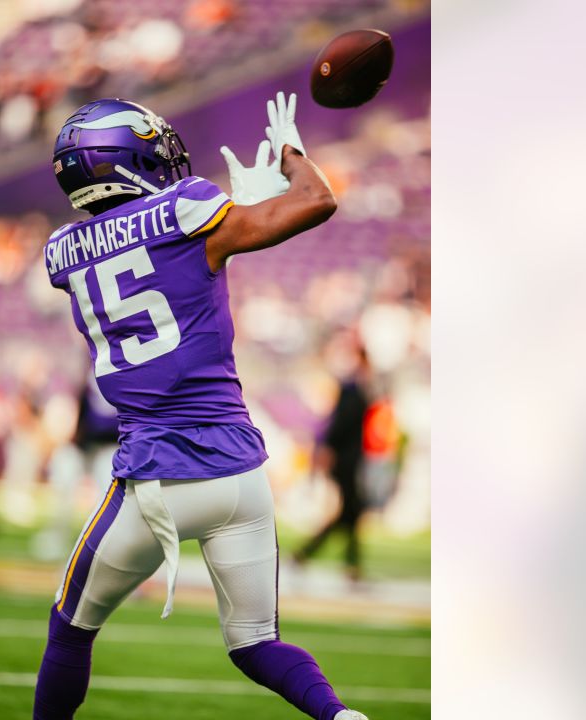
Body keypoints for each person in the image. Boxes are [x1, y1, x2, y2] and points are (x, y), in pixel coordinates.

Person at [32, 93, 368, 720]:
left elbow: (136, 249)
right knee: (256, 644)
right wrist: (292, 156)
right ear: (127, 158)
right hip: (241, 474)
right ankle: (339, 716)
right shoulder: (187, 208)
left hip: (158, 475)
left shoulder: (63, 253)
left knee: (70, 628)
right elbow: (316, 199)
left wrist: (227, 217)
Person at [295, 344, 372, 580]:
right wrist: (328, 450)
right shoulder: (352, 389)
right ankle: (346, 562)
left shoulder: (356, 388)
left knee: (351, 512)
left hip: (351, 458)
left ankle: (317, 556)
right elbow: (340, 426)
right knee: (352, 510)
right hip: (346, 460)